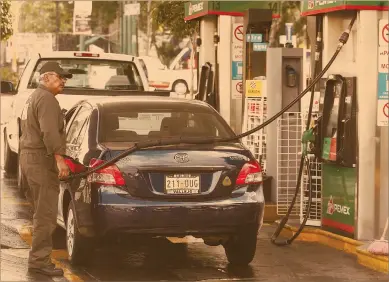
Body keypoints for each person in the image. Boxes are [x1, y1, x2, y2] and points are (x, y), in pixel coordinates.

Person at [19, 62, 72, 276]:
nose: (63, 82)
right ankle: (40, 261)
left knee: (42, 212)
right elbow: (49, 133)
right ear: (47, 77)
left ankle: (38, 259)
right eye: (61, 78)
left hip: (31, 158)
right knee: (46, 214)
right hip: (41, 160)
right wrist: (60, 160)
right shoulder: (48, 100)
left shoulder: (35, 96)